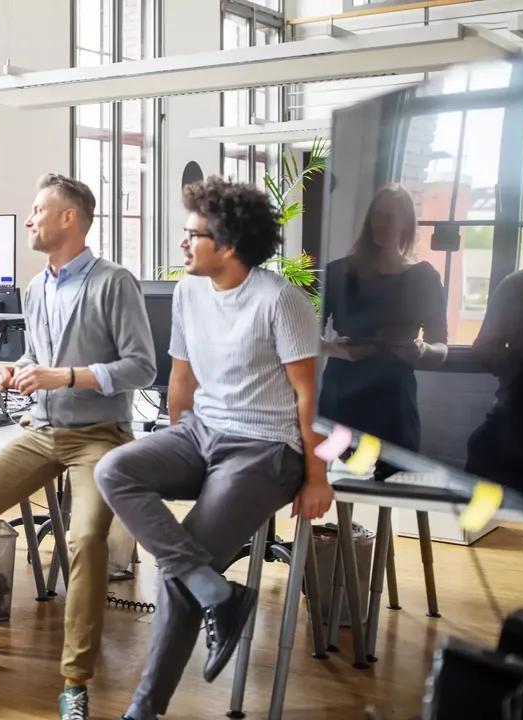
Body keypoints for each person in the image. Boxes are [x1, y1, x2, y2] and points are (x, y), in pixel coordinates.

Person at [93, 177, 334, 720]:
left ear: (226, 245)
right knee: (114, 470)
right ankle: (215, 590)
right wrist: (179, 442)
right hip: (202, 433)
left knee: (177, 576)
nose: (182, 244)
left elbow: (309, 398)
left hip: (266, 448)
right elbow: (182, 377)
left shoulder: (281, 300)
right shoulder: (188, 291)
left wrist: (317, 478)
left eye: (191, 234)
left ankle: (144, 710)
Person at [0, 173, 157, 718]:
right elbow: (39, 359)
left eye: (36, 210)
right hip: (40, 432)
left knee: (88, 538)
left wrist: (63, 377)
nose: (28, 220)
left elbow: (141, 368)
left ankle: (75, 680)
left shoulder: (114, 282)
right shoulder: (35, 287)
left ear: (68, 218)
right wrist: (16, 371)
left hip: (98, 435)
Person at [320, 185, 448, 479]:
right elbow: (300, 331)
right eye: (378, 216)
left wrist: (422, 350)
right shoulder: (340, 272)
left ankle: (381, 527)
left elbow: (441, 346)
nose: (383, 223)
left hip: (393, 401)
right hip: (342, 396)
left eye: (392, 216)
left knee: (394, 485)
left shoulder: (424, 277)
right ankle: (341, 526)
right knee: (336, 480)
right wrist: (332, 348)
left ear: (406, 224)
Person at [467, 187, 523, 502]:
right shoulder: (517, 286)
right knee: (481, 450)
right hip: (515, 415)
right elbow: (482, 350)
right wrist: (508, 355)